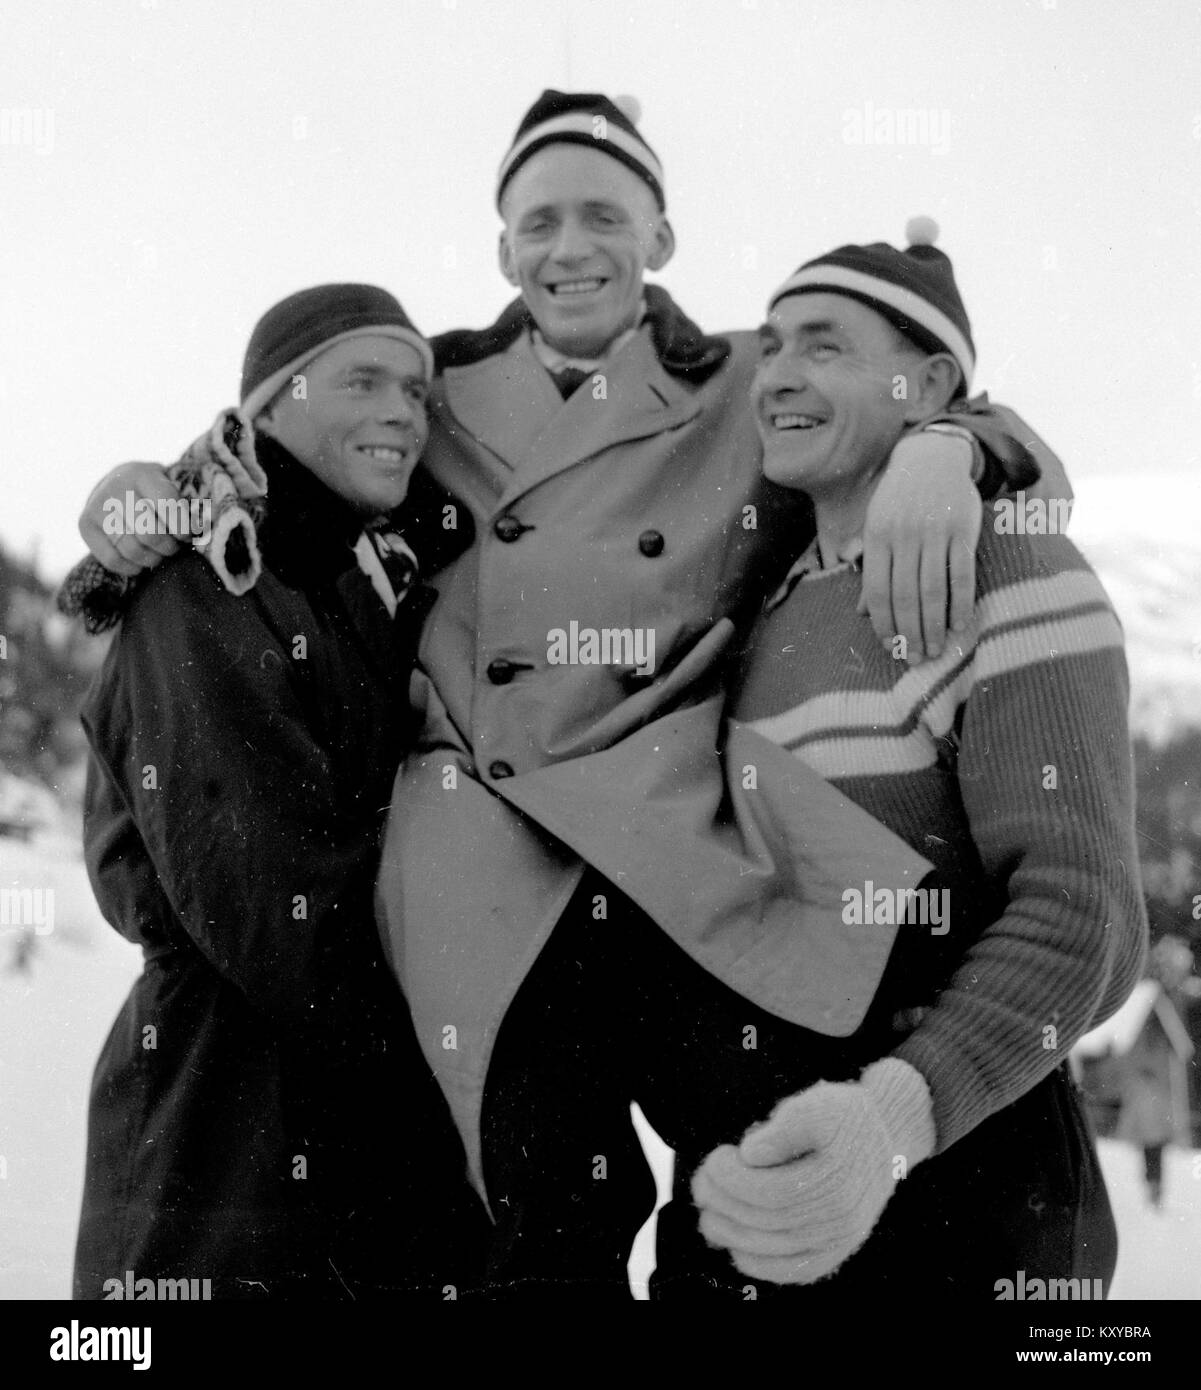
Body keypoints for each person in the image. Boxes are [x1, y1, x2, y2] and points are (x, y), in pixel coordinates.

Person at [75, 92, 1069, 1299]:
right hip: (472, 848)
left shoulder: (743, 381)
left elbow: (918, 388)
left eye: (604, 214)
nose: (568, 247)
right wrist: (144, 494)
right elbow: (274, 439)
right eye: (536, 221)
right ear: (501, 250)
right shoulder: (433, 384)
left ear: (660, 240)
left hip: (670, 838)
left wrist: (954, 449)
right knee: (531, 1221)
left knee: (760, 1197)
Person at [633, 227, 1143, 1296]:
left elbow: (1081, 917)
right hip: (746, 1197)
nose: (775, 376)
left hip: (966, 1186)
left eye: (823, 346)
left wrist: (889, 1120)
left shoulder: (1009, 566)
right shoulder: (749, 598)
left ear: (932, 384)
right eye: (769, 348)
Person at [73, 285, 489, 1300]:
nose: (402, 410)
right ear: (268, 405)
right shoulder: (208, 583)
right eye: (363, 380)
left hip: (329, 1101)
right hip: (220, 1118)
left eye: (416, 390)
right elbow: (272, 904)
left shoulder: (357, 578)